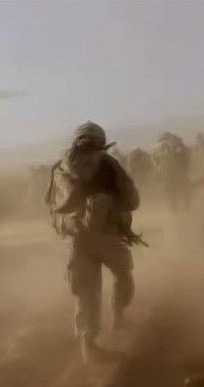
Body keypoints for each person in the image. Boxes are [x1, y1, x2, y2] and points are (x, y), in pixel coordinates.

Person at [45, 121, 140, 362]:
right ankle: (118, 317)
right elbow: (131, 200)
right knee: (122, 276)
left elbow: (53, 206)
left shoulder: (60, 168)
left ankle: (89, 346)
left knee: (86, 293)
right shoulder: (108, 163)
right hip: (107, 236)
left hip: (77, 238)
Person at [153, 132, 192, 212]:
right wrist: (186, 169)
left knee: (170, 190)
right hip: (178, 171)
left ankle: (174, 208)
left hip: (166, 172)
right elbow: (185, 158)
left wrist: (158, 174)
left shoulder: (157, 147)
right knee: (183, 188)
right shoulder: (177, 144)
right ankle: (186, 206)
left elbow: (156, 162)